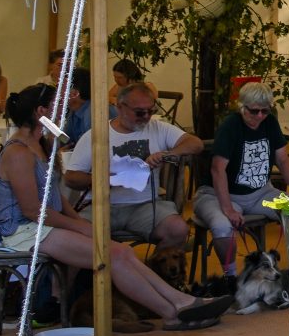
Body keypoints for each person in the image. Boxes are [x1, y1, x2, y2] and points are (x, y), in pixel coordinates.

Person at [0, 84, 228, 332]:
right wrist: (80, 227)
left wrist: (79, 223)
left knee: (121, 252)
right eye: (58, 104)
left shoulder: (42, 144)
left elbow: (55, 198)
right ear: (41, 111)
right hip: (24, 231)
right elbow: (32, 211)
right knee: (112, 255)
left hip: (45, 226)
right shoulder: (18, 152)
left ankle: (181, 302)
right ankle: (172, 312)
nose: (64, 108)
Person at [62, 79, 200, 251]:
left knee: (178, 229)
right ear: (120, 107)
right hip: (101, 205)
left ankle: (154, 273)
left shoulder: (158, 128)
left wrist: (166, 154)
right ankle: (86, 277)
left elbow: (195, 143)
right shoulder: (96, 134)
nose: (147, 117)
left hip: (143, 206)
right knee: (75, 237)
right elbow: (71, 178)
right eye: (140, 112)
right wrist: (106, 179)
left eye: (151, 111)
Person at [194, 82, 289, 284]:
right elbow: (217, 169)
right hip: (218, 194)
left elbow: (282, 160)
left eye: (264, 111)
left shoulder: (270, 123)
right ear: (242, 107)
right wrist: (228, 209)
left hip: (260, 192)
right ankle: (230, 279)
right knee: (222, 225)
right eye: (254, 111)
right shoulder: (230, 126)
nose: (259, 116)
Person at [62, 67, 93, 147]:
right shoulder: (74, 111)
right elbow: (66, 140)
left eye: (63, 88)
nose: (60, 93)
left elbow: (90, 147)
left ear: (75, 93)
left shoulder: (92, 113)